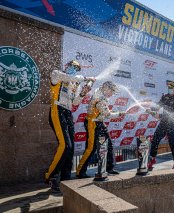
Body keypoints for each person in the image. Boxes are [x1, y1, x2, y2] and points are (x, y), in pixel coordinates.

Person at [45, 60, 95, 191]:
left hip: (68, 113)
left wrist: (83, 92)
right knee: (65, 145)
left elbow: (75, 102)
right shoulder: (57, 74)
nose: (74, 70)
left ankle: (65, 179)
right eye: (72, 67)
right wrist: (86, 78)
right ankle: (50, 176)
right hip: (57, 110)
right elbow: (72, 77)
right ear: (66, 66)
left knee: (71, 148)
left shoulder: (74, 83)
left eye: (77, 69)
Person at [76, 81, 123, 178]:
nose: (112, 94)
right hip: (92, 123)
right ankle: (80, 171)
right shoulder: (100, 97)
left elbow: (104, 113)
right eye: (111, 91)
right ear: (106, 88)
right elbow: (108, 114)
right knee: (91, 148)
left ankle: (109, 168)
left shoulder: (100, 93)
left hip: (99, 122)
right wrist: (119, 114)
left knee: (109, 144)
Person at [147, 80, 174, 169]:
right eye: (169, 88)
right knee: (155, 139)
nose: (170, 90)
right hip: (163, 123)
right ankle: (152, 159)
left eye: (172, 88)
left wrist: (157, 114)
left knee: (172, 142)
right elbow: (158, 106)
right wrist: (150, 108)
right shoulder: (164, 97)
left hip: (172, 124)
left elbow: (173, 113)